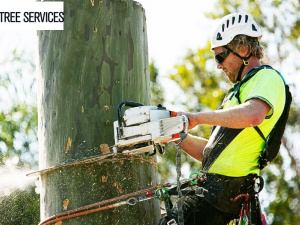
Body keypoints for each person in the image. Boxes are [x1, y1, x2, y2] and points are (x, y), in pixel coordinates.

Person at [158, 12, 286, 225]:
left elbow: (253, 115)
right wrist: (175, 135)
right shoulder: (235, 95)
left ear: (243, 49)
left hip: (223, 194)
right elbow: (212, 154)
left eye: (221, 57)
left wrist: (196, 118)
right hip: (215, 193)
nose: (218, 65)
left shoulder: (267, 78)